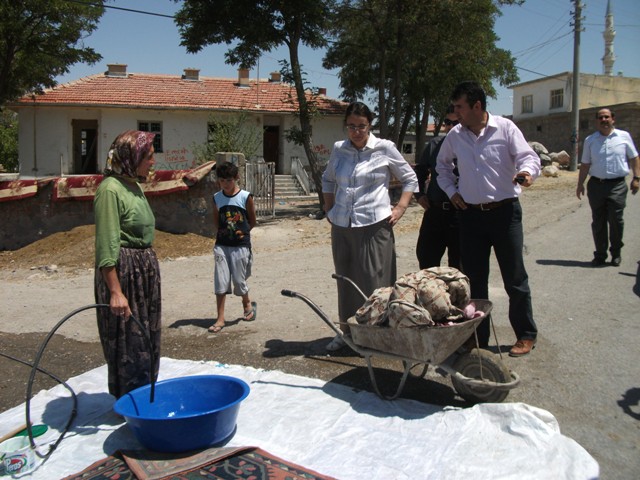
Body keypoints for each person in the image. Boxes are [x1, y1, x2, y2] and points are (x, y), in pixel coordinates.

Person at [436, 81, 540, 357]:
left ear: (477, 106)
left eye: (459, 106)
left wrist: (527, 173)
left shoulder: (505, 128)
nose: (455, 111)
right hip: (471, 217)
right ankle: (477, 337)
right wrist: (451, 191)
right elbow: (442, 167)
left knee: (514, 279)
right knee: (475, 282)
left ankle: (525, 335)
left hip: (505, 214)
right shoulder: (456, 135)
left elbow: (528, 157)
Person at [322, 101, 418, 351]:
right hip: (342, 225)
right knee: (345, 279)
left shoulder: (384, 148)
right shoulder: (339, 149)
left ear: (370, 126)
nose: (356, 131)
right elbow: (328, 179)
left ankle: (378, 336)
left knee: (376, 282)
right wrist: (328, 210)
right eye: (351, 126)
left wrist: (400, 208)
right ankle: (348, 332)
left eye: (361, 126)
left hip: (375, 225)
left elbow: (410, 178)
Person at [94, 130, 160, 398]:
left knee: (147, 338)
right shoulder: (110, 190)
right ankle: (130, 402)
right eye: (149, 157)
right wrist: (115, 291)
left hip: (142, 271)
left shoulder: (133, 185)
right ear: (132, 157)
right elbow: (106, 244)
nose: (153, 162)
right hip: (124, 274)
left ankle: (146, 396)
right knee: (129, 342)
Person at [576, 108, 640, 267]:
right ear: (597, 121)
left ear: (613, 119)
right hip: (596, 185)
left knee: (616, 220)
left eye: (606, 117)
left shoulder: (623, 136)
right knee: (598, 222)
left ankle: (616, 252)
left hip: (617, 185)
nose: (604, 119)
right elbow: (585, 164)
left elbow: (634, 157)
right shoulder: (590, 140)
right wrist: (580, 184)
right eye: (600, 117)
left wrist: (636, 178)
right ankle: (600, 254)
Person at [208, 161, 257, 333]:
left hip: (240, 246)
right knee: (220, 281)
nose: (225, 184)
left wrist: (241, 234)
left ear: (236, 178)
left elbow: (252, 221)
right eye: (222, 180)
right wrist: (225, 235)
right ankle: (220, 319)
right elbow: (216, 221)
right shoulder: (217, 198)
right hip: (221, 245)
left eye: (228, 180)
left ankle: (247, 302)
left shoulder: (245, 197)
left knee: (238, 280)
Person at [415, 106, 461, 270]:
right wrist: (419, 195)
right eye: (447, 122)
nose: (450, 127)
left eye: (455, 122)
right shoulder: (434, 144)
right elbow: (419, 171)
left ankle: (457, 296)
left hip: (461, 215)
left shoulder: (471, 146)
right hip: (435, 212)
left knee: (459, 267)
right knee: (426, 260)